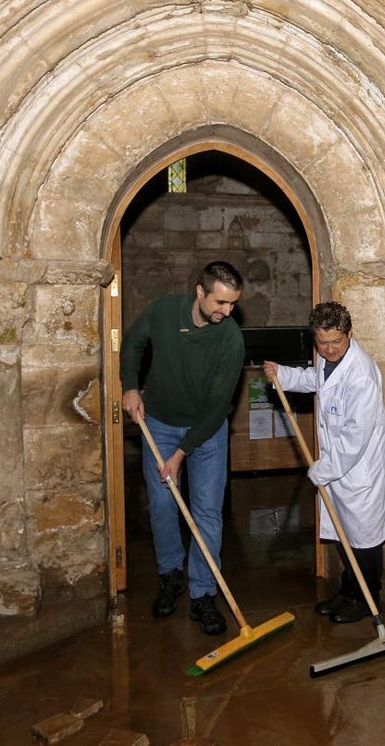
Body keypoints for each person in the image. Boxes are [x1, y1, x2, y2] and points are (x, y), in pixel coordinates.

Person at [120, 260, 246, 636]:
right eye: (220, 303)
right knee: (160, 505)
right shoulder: (163, 310)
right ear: (200, 292)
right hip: (158, 424)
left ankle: (204, 594)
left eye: (233, 304)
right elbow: (133, 342)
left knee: (206, 512)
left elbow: (218, 408)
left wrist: (181, 454)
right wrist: (130, 385)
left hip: (206, 432)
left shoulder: (230, 339)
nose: (227, 311)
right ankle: (171, 576)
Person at [264, 301, 385, 624]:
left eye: (337, 341)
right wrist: (284, 375)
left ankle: (366, 599)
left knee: (363, 540)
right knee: (342, 533)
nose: (330, 349)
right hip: (338, 468)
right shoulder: (327, 360)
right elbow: (316, 380)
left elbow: (354, 439)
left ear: (350, 334)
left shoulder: (361, 376)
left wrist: (322, 470)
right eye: (323, 343)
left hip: (358, 470)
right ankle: (349, 592)